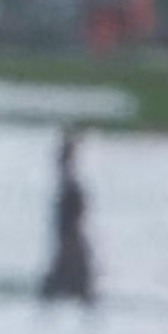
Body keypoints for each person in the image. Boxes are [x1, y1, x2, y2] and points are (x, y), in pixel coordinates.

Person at [39, 127, 98, 306]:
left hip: (70, 250)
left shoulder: (70, 189)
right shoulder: (70, 188)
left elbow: (72, 221)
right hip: (70, 248)